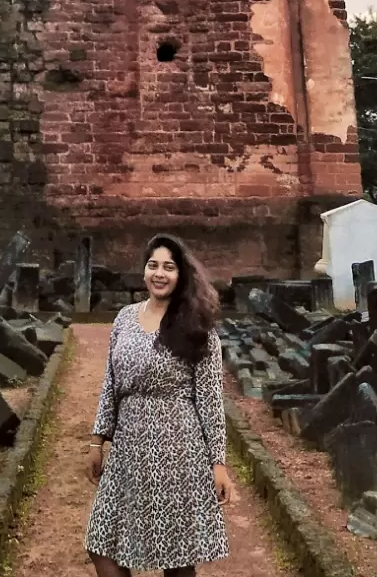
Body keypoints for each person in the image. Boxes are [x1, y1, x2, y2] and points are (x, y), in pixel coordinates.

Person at [85, 233, 233, 576]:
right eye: (153, 265)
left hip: (178, 450)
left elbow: (210, 399)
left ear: (182, 275)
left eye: (169, 266)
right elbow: (110, 383)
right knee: (101, 544)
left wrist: (218, 463)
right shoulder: (124, 318)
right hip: (128, 447)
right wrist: (97, 442)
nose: (159, 273)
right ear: (144, 272)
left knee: (177, 556)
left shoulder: (197, 326)